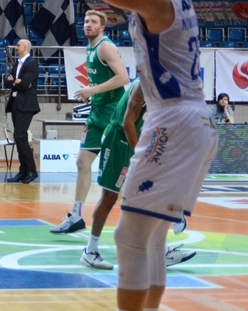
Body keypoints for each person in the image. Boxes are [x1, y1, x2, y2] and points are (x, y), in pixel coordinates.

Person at [65, 0, 218, 311]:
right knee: (147, 239)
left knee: (130, 238)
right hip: (191, 122)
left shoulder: (153, 0)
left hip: (174, 122)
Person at [80, 79, 196, 271]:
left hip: (140, 138)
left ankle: (162, 250)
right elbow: (128, 123)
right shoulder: (144, 85)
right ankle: (90, 251)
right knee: (109, 197)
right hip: (118, 139)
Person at [52, 10, 129, 234]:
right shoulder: (90, 47)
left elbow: (123, 78)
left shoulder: (105, 47)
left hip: (113, 114)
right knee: (82, 162)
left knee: (120, 174)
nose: (88, 24)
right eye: (86, 21)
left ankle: (142, 218)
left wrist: (92, 90)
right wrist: (91, 93)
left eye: (93, 22)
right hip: (97, 112)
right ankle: (76, 215)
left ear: (102, 27)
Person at [4, 39, 40, 184]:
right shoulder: (17, 64)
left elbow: (25, 85)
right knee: (19, 137)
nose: (16, 47)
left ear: (25, 47)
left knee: (19, 136)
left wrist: (15, 81)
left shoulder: (32, 63)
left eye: (18, 45)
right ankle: (23, 170)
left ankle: (31, 170)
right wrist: (15, 81)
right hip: (15, 104)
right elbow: (6, 82)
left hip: (26, 104)